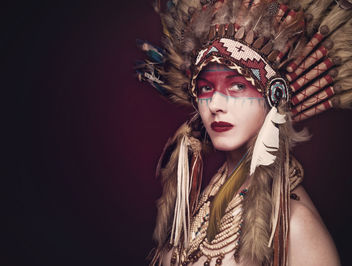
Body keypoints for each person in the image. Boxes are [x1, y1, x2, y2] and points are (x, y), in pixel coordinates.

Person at [136, 0, 352, 265]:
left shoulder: (295, 229)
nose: (215, 105)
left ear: (274, 96)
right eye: (205, 88)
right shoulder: (198, 204)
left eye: (238, 85)